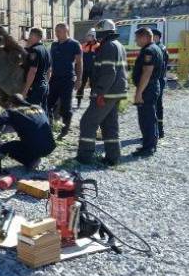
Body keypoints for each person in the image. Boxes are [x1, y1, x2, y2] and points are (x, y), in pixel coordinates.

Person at [76, 19, 129, 166]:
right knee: (109, 124)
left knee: (87, 122)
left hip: (107, 93)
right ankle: (113, 157)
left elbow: (108, 73)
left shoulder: (108, 47)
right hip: (116, 91)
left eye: (98, 34)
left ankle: (85, 157)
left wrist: (99, 93)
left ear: (103, 33)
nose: (97, 37)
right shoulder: (118, 46)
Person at [0, 93, 56, 170]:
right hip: (50, 146)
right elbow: (32, 123)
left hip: (36, 148)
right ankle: (34, 158)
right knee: (27, 143)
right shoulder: (38, 107)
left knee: (6, 147)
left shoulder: (12, 111)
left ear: (11, 104)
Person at [132, 27, 164, 157]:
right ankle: (149, 144)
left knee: (147, 119)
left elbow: (146, 73)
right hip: (151, 87)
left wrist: (139, 93)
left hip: (148, 88)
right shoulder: (155, 47)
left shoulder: (149, 50)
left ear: (145, 37)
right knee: (150, 117)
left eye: (137, 38)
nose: (135, 41)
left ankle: (149, 147)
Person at [47, 23, 83, 138]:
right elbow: (50, 64)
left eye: (59, 31)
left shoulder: (74, 44)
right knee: (47, 104)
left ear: (66, 31)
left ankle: (65, 129)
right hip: (54, 79)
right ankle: (48, 127)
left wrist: (79, 79)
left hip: (67, 79)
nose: (56, 33)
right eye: (56, 31)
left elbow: (79, 62)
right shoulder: (54, 45)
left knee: (66, 107)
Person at [22, 27, 51, 112]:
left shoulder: (35, 50)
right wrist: (45, 83)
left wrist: (26, 90)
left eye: (31, 35)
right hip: (44, 86)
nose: (29, 37)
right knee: (43, 110)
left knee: (32, 112)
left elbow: (33, 71)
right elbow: (49, 70)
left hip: (35, 87)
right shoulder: (46, 50)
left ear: (35, 36)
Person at [76, 28, 100, 108]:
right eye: (87, 35)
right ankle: (78, 102)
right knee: (81, 86)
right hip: (84, 69)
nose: (87, 37)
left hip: (94, 70)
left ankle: (92, 103)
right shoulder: (83, 46)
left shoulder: (98, 46)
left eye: (89, 35)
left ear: (93, 36)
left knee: (93, 86)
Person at [152, 29, 169, 138]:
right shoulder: (161, 47)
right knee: (157, 105)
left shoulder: (159, 48)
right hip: (160, 79)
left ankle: (158, 131)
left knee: (156, 105)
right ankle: (158, 131)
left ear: (156, 37)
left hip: (158, 79)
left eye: (152, 36)